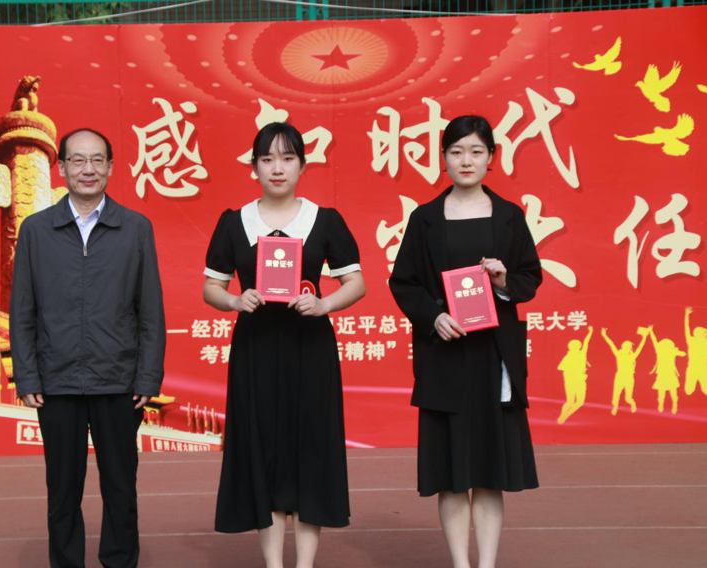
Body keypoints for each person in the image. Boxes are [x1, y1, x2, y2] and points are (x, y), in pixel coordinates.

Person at [202, 122, 365, 568]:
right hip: (255, 351)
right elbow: (212, 288)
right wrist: (235, 300)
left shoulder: (324, 220)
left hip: (309, 350)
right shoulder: (234, 222)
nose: (277, 168)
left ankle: (304, 564)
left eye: (287, 158)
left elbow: (356, 282)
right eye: (268, 159)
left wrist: (324, 303)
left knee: (310, 451)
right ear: (254, 167)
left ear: (302, 166)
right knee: (263, 454)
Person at [388, 115, 542, 568]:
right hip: (445, 357)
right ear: (444, 158)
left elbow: (530, 277)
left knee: (491, 472)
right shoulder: (425, 219)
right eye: (456, 152)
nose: (466, 160)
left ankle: (486, 563)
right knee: (452, 474)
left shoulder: (509, 216)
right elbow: (403, 282)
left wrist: (502, 280)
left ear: (491, 156)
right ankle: (460, 562)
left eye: (476, 151)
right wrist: (434, 316)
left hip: (494, 357)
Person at [10, 128, 165, 568]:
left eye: (97, 160)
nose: (88, 169)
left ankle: (119, 561)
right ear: (61, 168)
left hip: (118, 380)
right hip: (56, 381)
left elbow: (150, 310)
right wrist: (27, 376)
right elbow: (22, 311)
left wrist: (147, 376)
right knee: (62, 491)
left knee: (121, 488)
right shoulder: (36, 230)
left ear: (111, 167)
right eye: (77, 160)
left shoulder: (135, 228)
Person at [600, 326, 649, 415]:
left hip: (629, 378)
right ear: (622, 347)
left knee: (628, 398)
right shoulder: (618, 354)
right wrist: (604, 335)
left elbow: (640, 347)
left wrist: (644, 337)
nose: (625, 347)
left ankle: (633, 404)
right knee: (615, 397)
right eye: (624, 346)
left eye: (627, 346)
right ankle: (615, 407)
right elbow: (611, 344)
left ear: (630, 348)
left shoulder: (633, 356)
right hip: (619, 377)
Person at [556, 326, 594, 424]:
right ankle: (563, 416)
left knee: (578, 402)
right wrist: (590, 332)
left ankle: (563, 416)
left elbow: (586, 342)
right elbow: (561, 368)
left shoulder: (576, 355)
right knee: (572, 402)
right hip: (574, 381)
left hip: (578, 381)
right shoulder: (573, 356)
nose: (579, 346)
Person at [648, 327, 685, 413]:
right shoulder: (660, 350)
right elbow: (654, 340)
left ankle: (674, 405)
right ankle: (661, 405)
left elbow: (683, 354)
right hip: (662, 374)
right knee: (663, 393)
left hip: (670, 374)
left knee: (672, 392)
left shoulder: (671, 351)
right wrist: (651, 331)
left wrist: (677, 351)